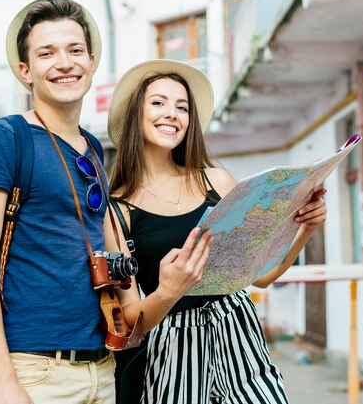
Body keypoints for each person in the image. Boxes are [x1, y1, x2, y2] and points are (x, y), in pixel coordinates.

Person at [0, 0, 212, 404]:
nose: (65, 63)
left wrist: (167, 290)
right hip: (33, 372)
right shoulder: (3, 138)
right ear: (26, 71)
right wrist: (3, 380)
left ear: (91, 61)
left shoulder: (92, 149)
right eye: (47, 53)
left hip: (100, 368)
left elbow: (123, 294)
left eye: (75, 50)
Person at [107, 59, 328, 404]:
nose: (172, 114)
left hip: (235, 326)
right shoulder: (118, 209)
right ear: (136, 114)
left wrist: (305, 228)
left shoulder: (216, 180)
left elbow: (261, 276)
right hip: (171, 348)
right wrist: (167, 291)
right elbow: (131, 316)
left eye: (182, 107)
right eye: (158, 103)